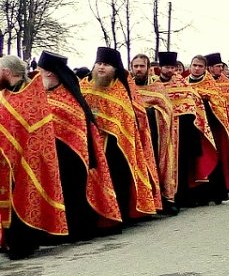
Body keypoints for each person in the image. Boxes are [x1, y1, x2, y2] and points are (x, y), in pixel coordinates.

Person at [37, 51, 122, 240]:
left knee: (71, 193)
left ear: (50, 73)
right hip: (50, 158)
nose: (37, 74)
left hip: (71, 159)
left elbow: (74, 130)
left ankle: (72, 229)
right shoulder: (46, 94)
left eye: (40, 71)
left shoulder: (67, 98)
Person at [0, 54, 69, 258]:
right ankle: (8, 241)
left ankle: (22, 244)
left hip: (27, 159)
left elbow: (30, 132)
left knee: (24, 199)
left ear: (7, 72)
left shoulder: (29, 96)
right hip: (6, 160)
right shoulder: (7, 93)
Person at [83, 48, 161, 220]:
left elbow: (128, 119)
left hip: (116, 143)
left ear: (115, 68)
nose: (102, 68)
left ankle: (119, 215)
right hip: (90, 142)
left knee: (118, 177)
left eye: (106, 65)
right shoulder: (84, 85)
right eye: (99, 64)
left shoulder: (121, 90)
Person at [158, 53, 220, 206]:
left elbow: (193, 104)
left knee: (183, 163)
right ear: (160, 68)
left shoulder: (181, 83)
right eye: (166, 67)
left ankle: (182, 197)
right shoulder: (154, 84)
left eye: (172, 67)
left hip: (183, 129)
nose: (170, 70)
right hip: (161, 129)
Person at [186, 54, 229, 199]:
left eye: (200, 66)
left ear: (205, 68)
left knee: (211, 157)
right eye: (195, 65)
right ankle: (195, 195)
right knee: (194, 161)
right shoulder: (184, 84)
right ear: (190, 66)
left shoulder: (210, 84)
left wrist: (206, 101)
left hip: (211, 128)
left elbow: (219, 104)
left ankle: (214, 194)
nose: (197, 68)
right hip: (192, 129)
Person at [131, 53, 179, 212]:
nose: (138, 69)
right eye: (136, 66)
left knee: (159, 165)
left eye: (141, 66)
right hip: (134, 135)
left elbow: (167, 110)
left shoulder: (157, 86)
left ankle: (164, 199)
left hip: (155, 134)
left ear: (148, 68)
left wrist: (149, 113)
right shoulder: (126, 86)